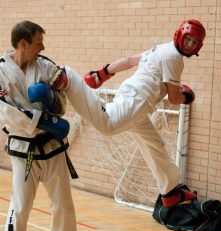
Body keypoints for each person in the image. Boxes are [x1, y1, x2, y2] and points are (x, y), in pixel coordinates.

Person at [29, 20, 205, 207]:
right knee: (108, 125)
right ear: (180, 35)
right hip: (137, 101)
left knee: (155, 145)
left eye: (194, 43)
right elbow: (174, 98)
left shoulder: (162, 48)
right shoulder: (174, 58)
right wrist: (187, 96)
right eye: (188, 39)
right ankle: (70, 79)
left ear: (198, 47)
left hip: (137, 103)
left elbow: (130, 61)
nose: (190, 45)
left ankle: (170, 191)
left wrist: (103, 73)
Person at [0, 20, 84, 231]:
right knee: (21, 206)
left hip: (52, 147)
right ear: (23, 43)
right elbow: (5, 112)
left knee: (63, 204)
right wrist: (42, 120)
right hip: (23, 149)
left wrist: (53, 104)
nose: (43, 46)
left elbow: (61, 103)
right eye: (38, 42)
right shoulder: (1, 71)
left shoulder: (46, 65)